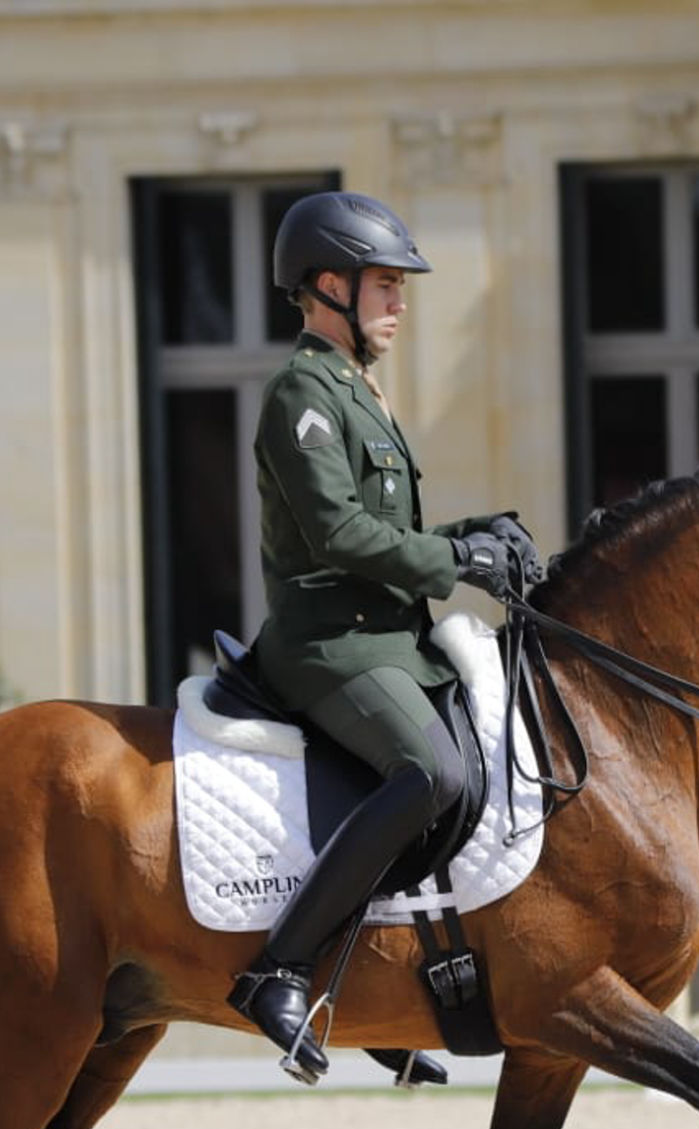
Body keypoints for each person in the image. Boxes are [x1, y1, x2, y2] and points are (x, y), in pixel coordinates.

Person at [227, 189, 539, 1080]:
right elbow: (338, 535)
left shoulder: (360, 391)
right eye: (385, 285)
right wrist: (456, 564)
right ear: (329, 286)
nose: (400, 304)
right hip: (330, 644)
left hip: (392, 639)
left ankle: (372, 986)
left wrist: (478, 535)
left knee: (480, 762)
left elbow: (389, 527)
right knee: (430, 772)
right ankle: (277, 971)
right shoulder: (303, 393)